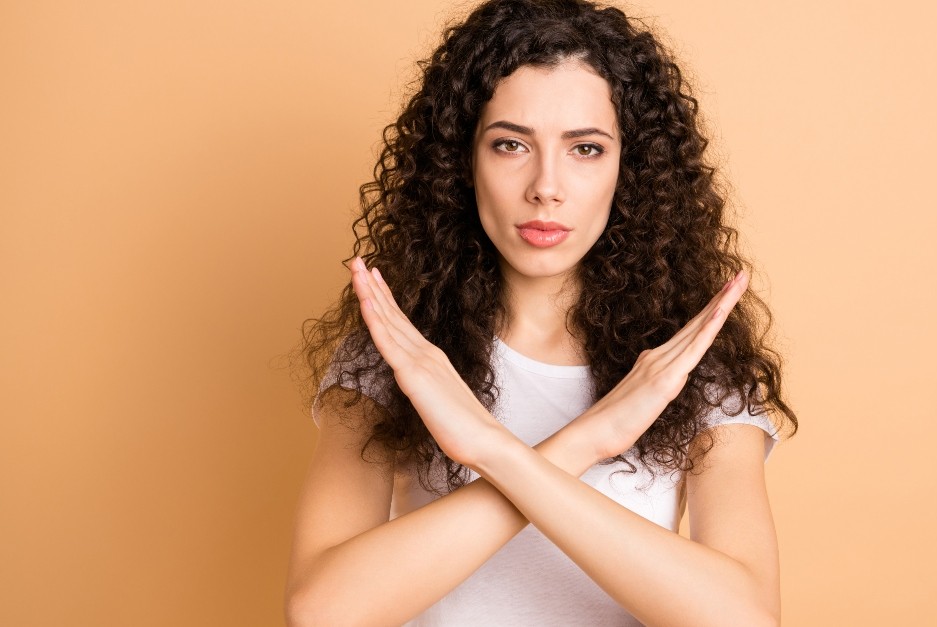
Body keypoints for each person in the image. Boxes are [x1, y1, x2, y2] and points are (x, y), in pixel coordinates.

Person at [285, 0, 797, 624]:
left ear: (627, 170)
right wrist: (585, 441)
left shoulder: (684, 366)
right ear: (462, 164)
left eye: (585, 148)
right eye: (509, 145)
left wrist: (489, 450)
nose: (546, 186)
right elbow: (323, 613)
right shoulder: (396, 351)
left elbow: (744, 619)